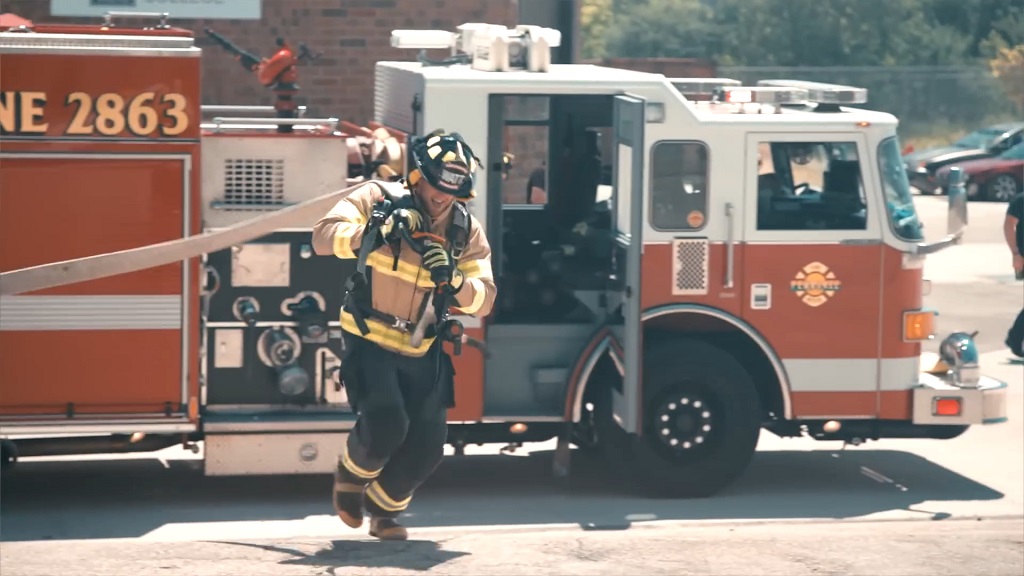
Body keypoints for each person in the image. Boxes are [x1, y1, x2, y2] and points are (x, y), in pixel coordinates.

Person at [311, 129, 497, 540]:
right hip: (370, 337)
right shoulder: (377, 198)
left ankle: (383, 509)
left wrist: (454, 284)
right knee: (387, 422)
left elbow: (484, 300)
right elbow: (322, 237)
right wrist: (375, 233)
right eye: (436, 186)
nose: (443, 198)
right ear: (418, 176)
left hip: (422, 346)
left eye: (454, 191)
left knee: (430, 443)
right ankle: (349, 479)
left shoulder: (465, 231)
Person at [1005, 192, 1024, 358]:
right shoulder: (1021, 200)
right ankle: (1015, 338)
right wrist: (1015, 253)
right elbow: (1009, 225)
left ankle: (1015, 338)